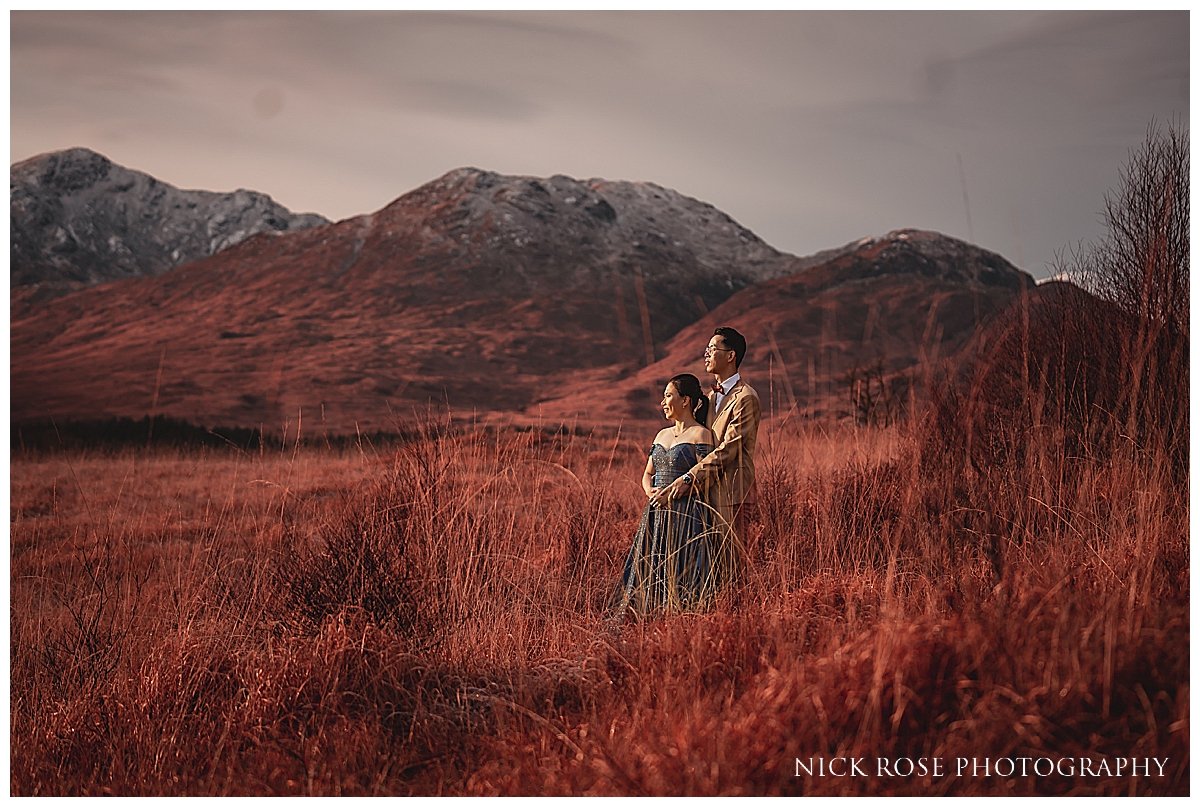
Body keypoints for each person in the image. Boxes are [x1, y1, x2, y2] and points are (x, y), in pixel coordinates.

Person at [615, 373, 728, 615]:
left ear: (685, 400)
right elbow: (647, 474)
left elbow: (708, 478)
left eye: (668, 396)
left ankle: (677, 617)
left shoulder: (701, 434)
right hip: (656, 513)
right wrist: (649, 490)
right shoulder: (661, 435)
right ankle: (647, 616)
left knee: (681, 570)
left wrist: (679, 490)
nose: (663, 402)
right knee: (650, 565)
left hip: (686, 515)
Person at [652, 326, 760, 557]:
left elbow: (729, 449)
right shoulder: (710, 398)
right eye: (707, 349)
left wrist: (689, 477)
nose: (706, 353)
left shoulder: (746, 398)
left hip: (731, 494)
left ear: (730, 356)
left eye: (712, 348)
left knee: (732, 563)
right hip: (703, 495)